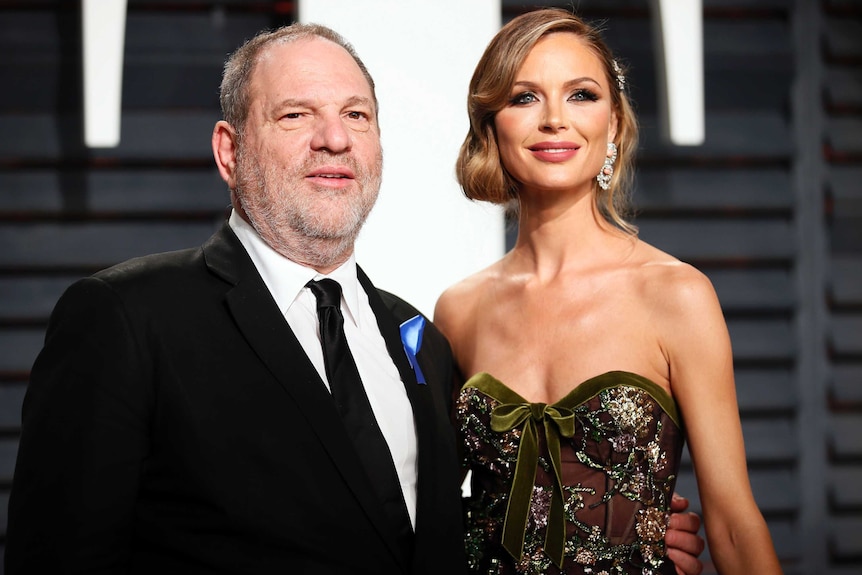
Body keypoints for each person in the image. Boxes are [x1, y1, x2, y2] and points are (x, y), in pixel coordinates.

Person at [5, 20, 703, 575]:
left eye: (356, 115)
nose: (333, 138)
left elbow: (418, 529)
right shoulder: (125, 319)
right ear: (229, 151)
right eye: (294, 115)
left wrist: (605, 527)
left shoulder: (421, 337)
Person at [434, 8, 782, 575]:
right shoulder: (459, 310)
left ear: (614, 124)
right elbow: (435, 516)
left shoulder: (676, 294)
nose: (553, 120)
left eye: (581, 95)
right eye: (524, 98)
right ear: (491, 126)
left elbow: (733, 525)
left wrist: (633, 531)